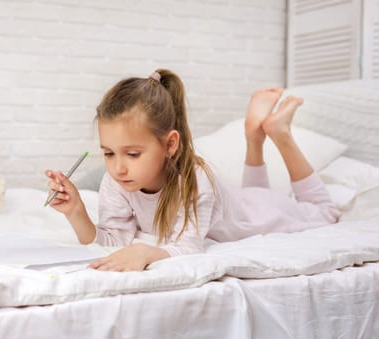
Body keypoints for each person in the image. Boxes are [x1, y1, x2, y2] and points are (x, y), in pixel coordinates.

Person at [45, 69, 340, 272]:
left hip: (257, 214)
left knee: (324, 212)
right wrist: (76, 212)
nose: (118, 167)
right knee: (254, 194)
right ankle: (254, 135)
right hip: (242, 200)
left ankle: (278, 132)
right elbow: (114, 240)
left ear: (170, 144)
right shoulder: (117, 182)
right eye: (108, 153)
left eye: (133, 154)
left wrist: (147, 253)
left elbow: (188, 248)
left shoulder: (194, 180)